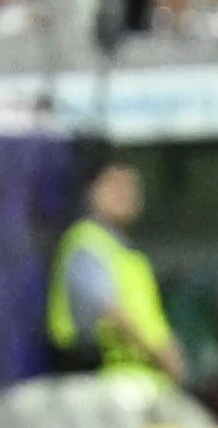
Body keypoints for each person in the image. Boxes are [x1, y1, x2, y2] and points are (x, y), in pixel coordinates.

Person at [49, 156, 180, 383]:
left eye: (131, 186)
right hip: (107, 383)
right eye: (114, 184)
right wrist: (160, 354)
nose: (124, 194)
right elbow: (110, 310)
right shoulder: (87, 242)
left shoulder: (124, 249)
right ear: (90, 191)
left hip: (139, 381)